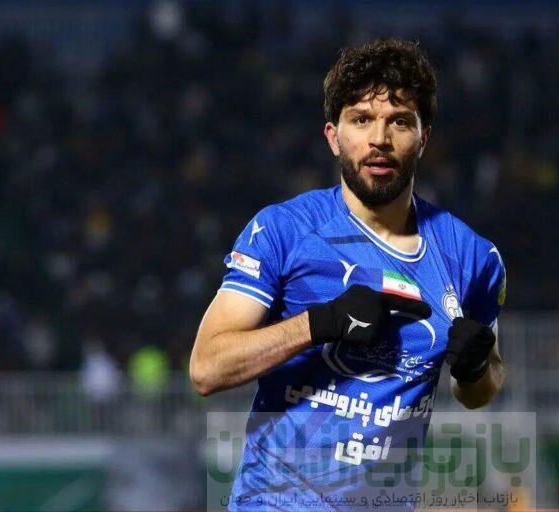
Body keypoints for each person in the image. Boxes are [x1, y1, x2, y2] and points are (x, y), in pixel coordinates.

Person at [190, 38, 507, 511]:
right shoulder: (284, 230)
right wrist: (319, 323)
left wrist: (475, 368)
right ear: (333, 136)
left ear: (424, 138)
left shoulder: (472, 257)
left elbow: (482, 388)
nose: (379, 139)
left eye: (399, 121)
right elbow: (206, 368)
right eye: (361, 119)